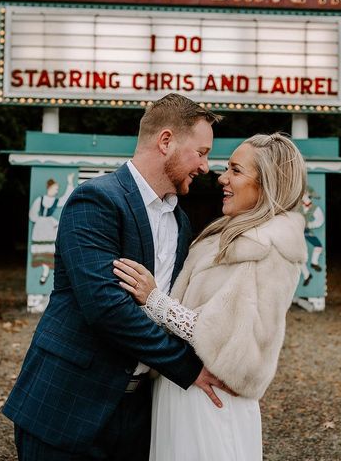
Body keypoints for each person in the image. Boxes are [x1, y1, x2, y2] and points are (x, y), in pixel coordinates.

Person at [3, 93, 229, 461]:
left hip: (139, 414)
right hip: (66, 403)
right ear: (166, 141)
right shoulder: (95, 200)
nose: (206, 166)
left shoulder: (181, 221)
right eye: (201, 152)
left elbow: (170, 306)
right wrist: (188, 368)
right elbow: (106, 308)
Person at [114, 133, 308, 461]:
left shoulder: (265, 247)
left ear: (266, 184)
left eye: (235, 170)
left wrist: (154, 299)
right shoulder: (229, 235)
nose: (222, 178)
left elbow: (223, 337)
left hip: (208, 400)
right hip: (183, 386)